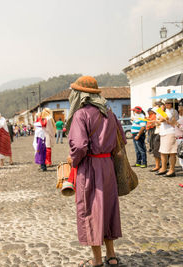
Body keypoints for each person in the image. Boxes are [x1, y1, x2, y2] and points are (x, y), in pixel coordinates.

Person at [66, 76, 123, 267]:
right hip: (107, 166)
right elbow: (120, 139)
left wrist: (72, 159)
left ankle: (97, 259)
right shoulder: (110, 113)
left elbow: (80, 146)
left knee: (91, 211)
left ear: (80, 95)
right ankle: (111, 255)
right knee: (107, 208)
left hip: (90, 167)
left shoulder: (81, 115)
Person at [157, 99, 178, 177]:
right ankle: (163, 168)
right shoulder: (166, 111)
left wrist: (160, 110)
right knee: (163, 152)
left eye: (168, 103)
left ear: (172, 104)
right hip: (164, 133)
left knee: (171, 152)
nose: (166, 104)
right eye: (165, 103)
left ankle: (172, 170)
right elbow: (160, 120)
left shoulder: (173, 111)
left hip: (170, 133)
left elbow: (162, 119)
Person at [149, 101, 164, 172]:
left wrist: (155, 122)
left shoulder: (162, 113)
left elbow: (162, 122)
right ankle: (158, 165)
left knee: (157, 150)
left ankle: (160, 166)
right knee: (155, 149)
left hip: (161, 132)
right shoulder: (158, 113)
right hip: (157, 131)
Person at [175, 102, 183, 170]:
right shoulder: (179, 117)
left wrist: (178, 125)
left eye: (180, 107)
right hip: (178, 138)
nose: (179, 108)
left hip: (181, 138)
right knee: (180, 156)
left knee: (181, 154)